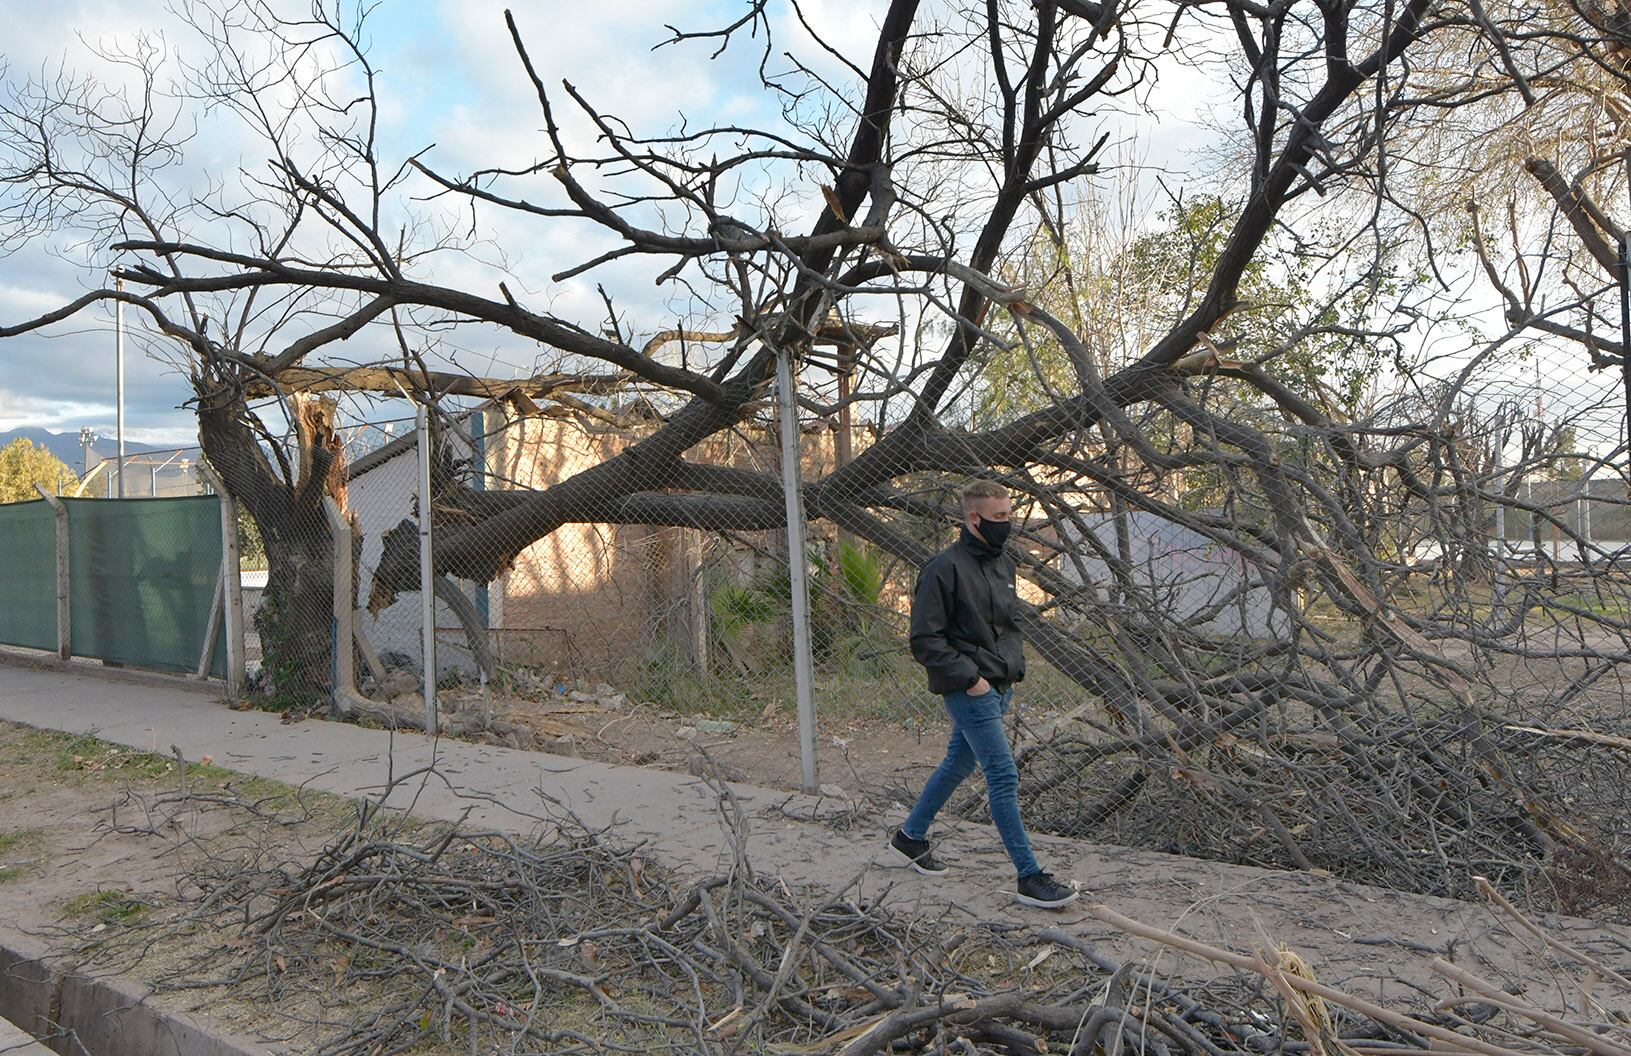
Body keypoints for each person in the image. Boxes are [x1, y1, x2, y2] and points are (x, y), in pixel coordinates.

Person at [889, 480, 1079, 909]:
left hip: (1000, 686)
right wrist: (971, 680)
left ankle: (909, 836)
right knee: (1003, 775)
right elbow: (925, 640)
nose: (1006, 525)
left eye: (1008, 516)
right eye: (998, 518)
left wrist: (1008, 672)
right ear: (973, 518)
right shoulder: (943, 568)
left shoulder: (1001, 564)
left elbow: (1005, 626)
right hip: (970, 689)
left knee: (958, 762)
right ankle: (1029, 876)